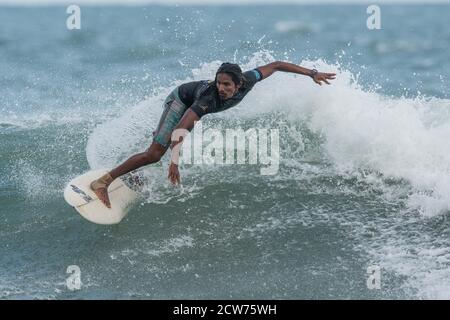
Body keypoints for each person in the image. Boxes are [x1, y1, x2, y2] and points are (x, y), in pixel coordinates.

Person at [90, 61, 336, 208]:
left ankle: (131, 172)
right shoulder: (208, 100)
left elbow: (276, 65)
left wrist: (312, 73)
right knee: (156, 153)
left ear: (239, 84)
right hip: (180, 101)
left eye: (226, 84)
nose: (222, 88)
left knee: (161, 144)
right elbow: (181, 129)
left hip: (191, 102)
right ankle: (102, 183)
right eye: (219, 83)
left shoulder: (249, 79)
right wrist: (174, 163)